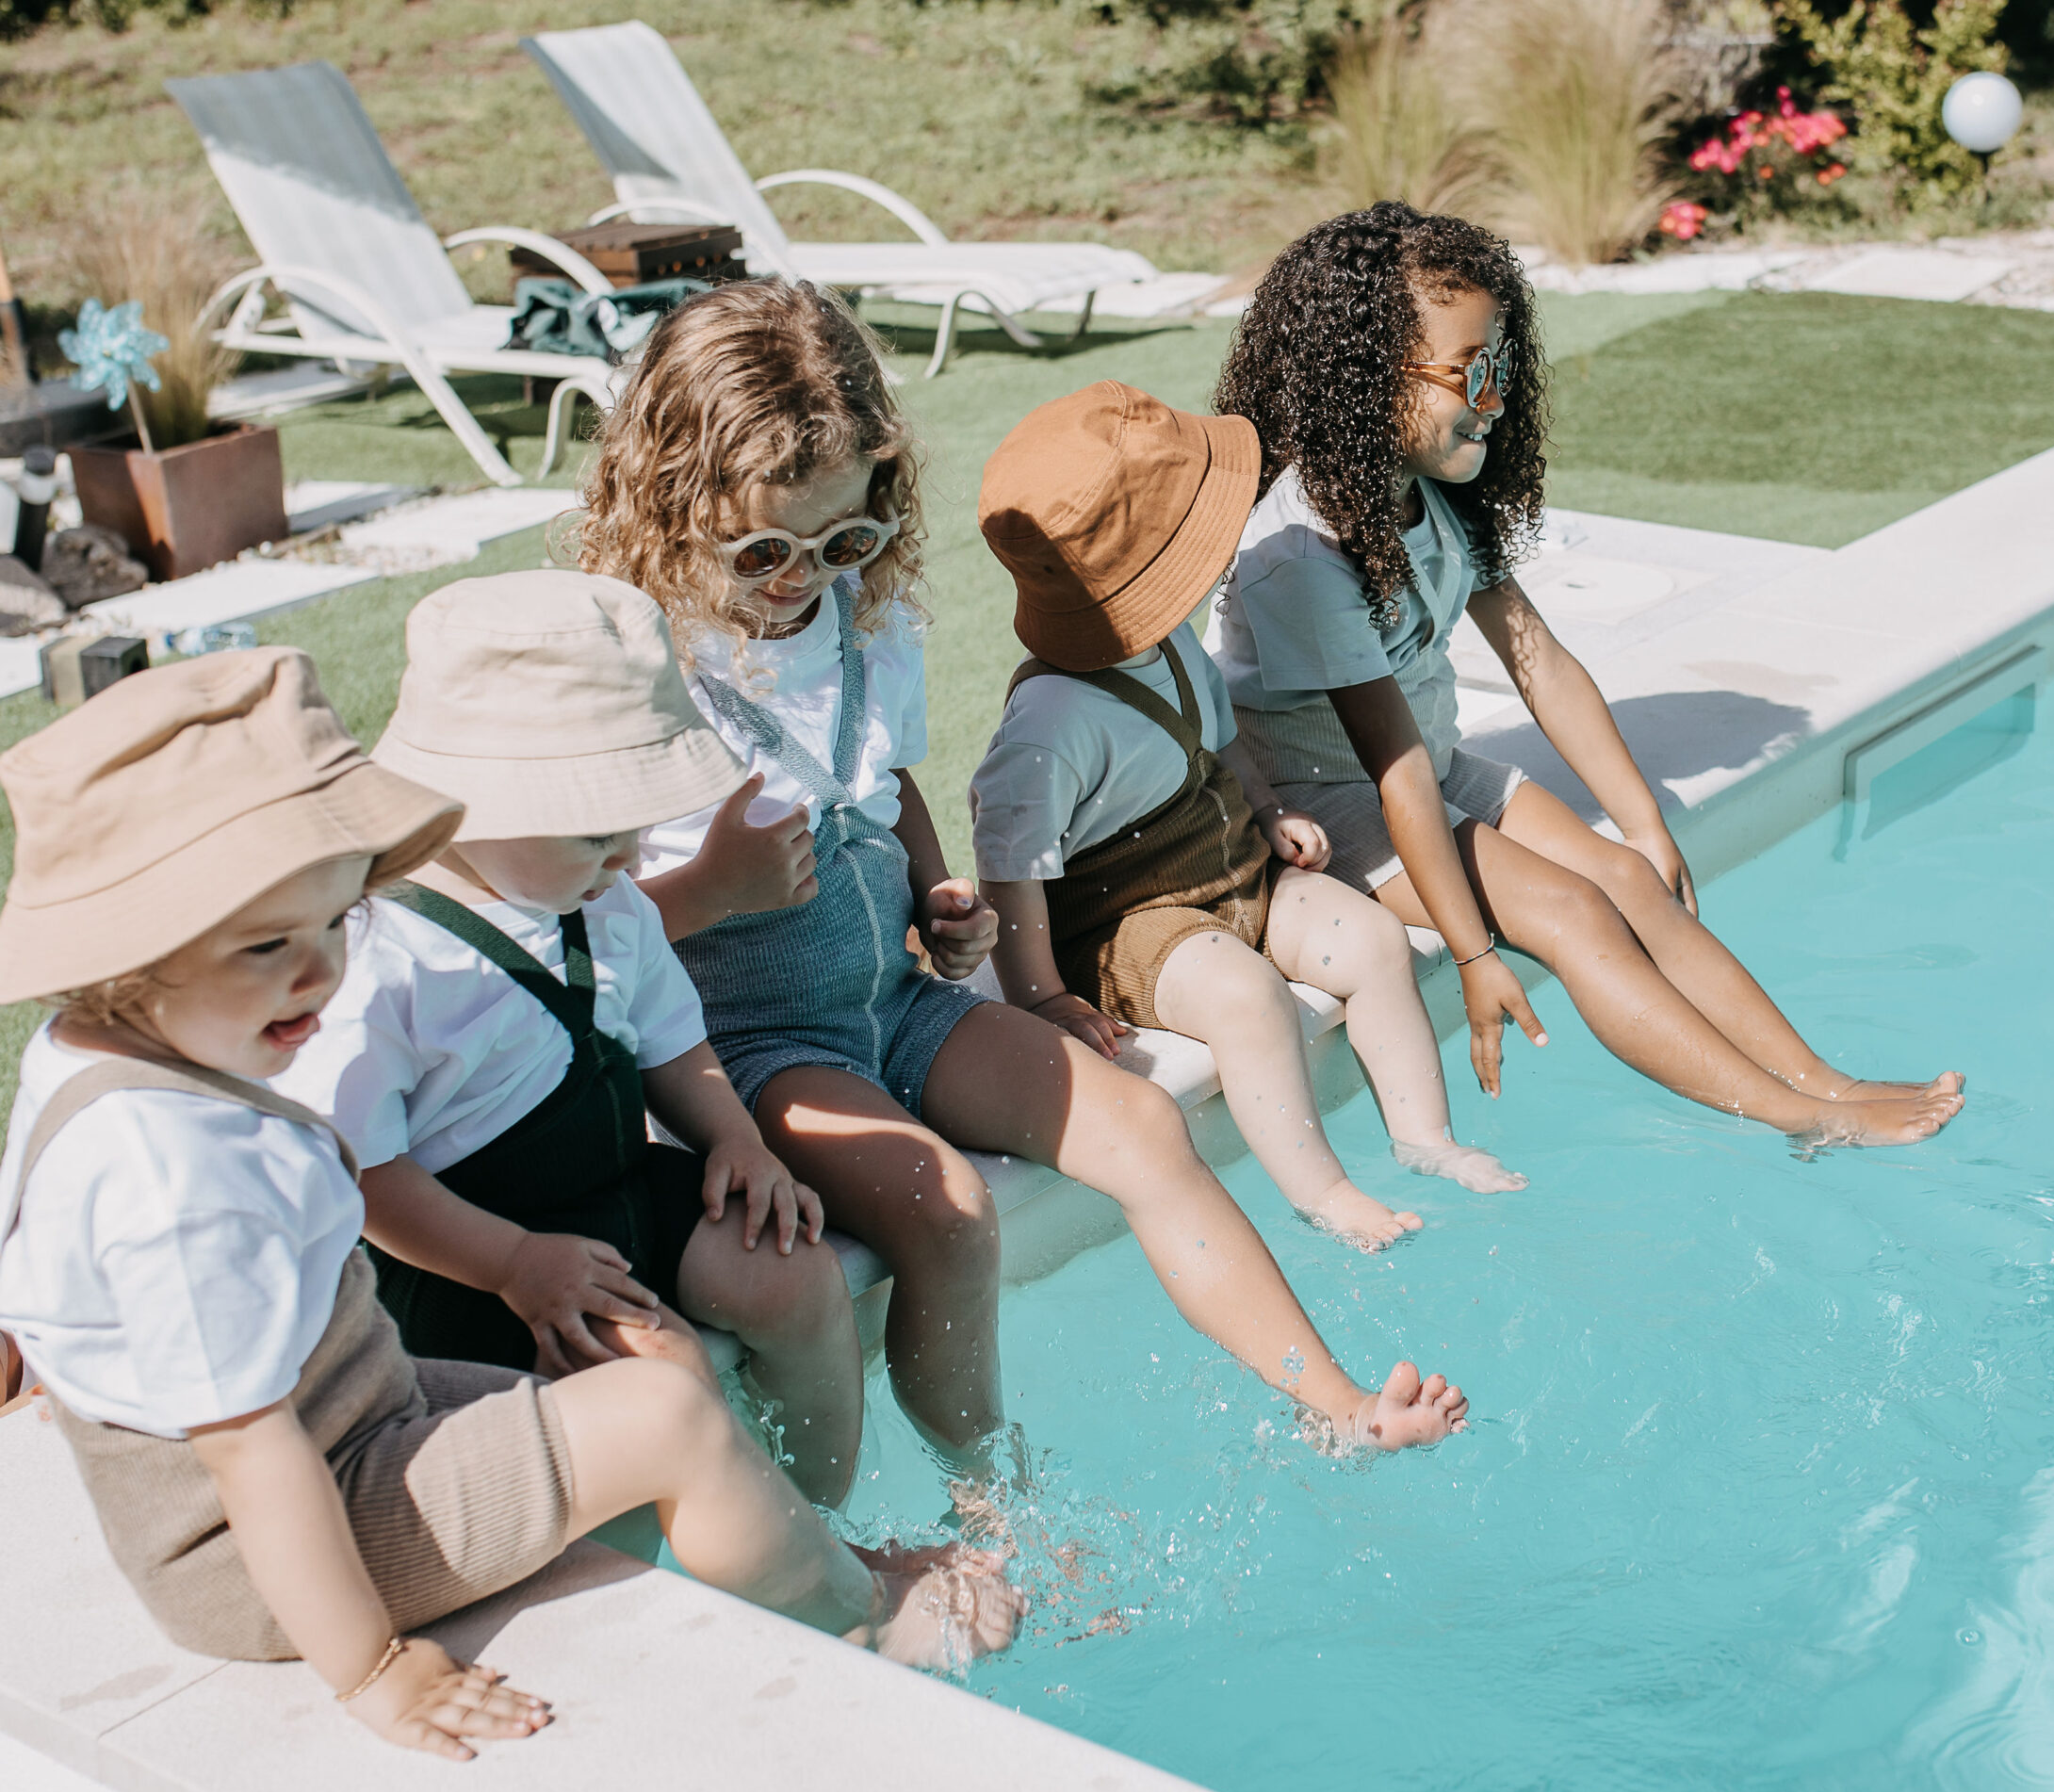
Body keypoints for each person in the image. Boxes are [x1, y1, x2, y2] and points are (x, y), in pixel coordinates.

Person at [0, 652, 1019, 1760]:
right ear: (130, 959)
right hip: (264, 1542)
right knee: (664, 1417)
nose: (319, 973)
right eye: (267, 946)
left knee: (642, 1390)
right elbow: (253, 1457)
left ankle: (813, 1562)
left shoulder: (102, 1059)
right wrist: (375, 1671)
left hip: (349, 1419)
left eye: (335, 923)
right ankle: (859, 1622)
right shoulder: (176, 1174)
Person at [579, 278, 1467, 1451]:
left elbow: (890, 786)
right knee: (949, 1213)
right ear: (671, 501)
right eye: (762, 550)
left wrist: (936, 898)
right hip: (750, 1043)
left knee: (1144, 1127)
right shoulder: (635, 666)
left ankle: (1339, 1407)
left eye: (845, 539)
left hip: (896, 998)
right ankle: (987, 1497)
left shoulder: (863, 621)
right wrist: (708, 892)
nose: (803, 576)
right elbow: (571, 927)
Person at [1211, 204, 1964, 1148]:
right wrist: (1473, 953)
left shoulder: (1433, 497)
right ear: (1364, 379)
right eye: (1468, 371)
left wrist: (1642, 822)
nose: (1492, 399)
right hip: (1327, 800)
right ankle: (1799, 1117)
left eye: (1501, 366)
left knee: (1625, 878)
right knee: (1574, 912)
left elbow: (1544, 667)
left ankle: (1829, 1084)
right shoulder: (1303, 555)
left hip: (1424, 766)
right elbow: (1392, 774)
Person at [276, 572, 865, 1506]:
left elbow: (674, 1045)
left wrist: (735, 1139)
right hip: (474, 1261)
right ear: (467, 804)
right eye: (598, 835)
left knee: (800, 1281)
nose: (629, 859)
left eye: (635, 828)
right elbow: (369, 1178)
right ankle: (779, 1563)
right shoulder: (382, 958)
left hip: (616, 1192)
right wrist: (512, 1263)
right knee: (668, 1376)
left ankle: (828, 1515)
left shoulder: (604, 900)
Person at [970, 381, 1524, 1256]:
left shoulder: (1169, 645)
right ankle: (1323, 1190)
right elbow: (1009, 866)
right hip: (1128, 924)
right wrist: (1040, 995)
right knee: (1248, 998)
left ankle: (1426, 1137)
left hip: (1232, 869)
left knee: (1374, 939)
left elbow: (1222, 743)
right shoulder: (1050, 723)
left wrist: (1268, 811)